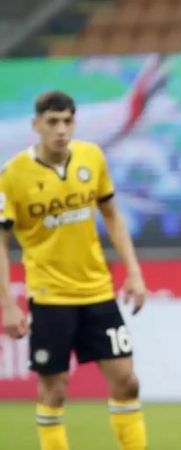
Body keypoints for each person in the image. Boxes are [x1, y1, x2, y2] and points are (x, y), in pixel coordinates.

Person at [0, 91, 148, 450]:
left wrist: (133, 271)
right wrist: (7, 303)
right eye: (52, 122)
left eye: (67, 121)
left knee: (127, 381)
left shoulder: (91, 157)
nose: (61, 130)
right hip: (50, 296)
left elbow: (112, 216)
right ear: (36, 125)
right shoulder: (12, 174)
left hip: (98, 291)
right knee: (55, 389)